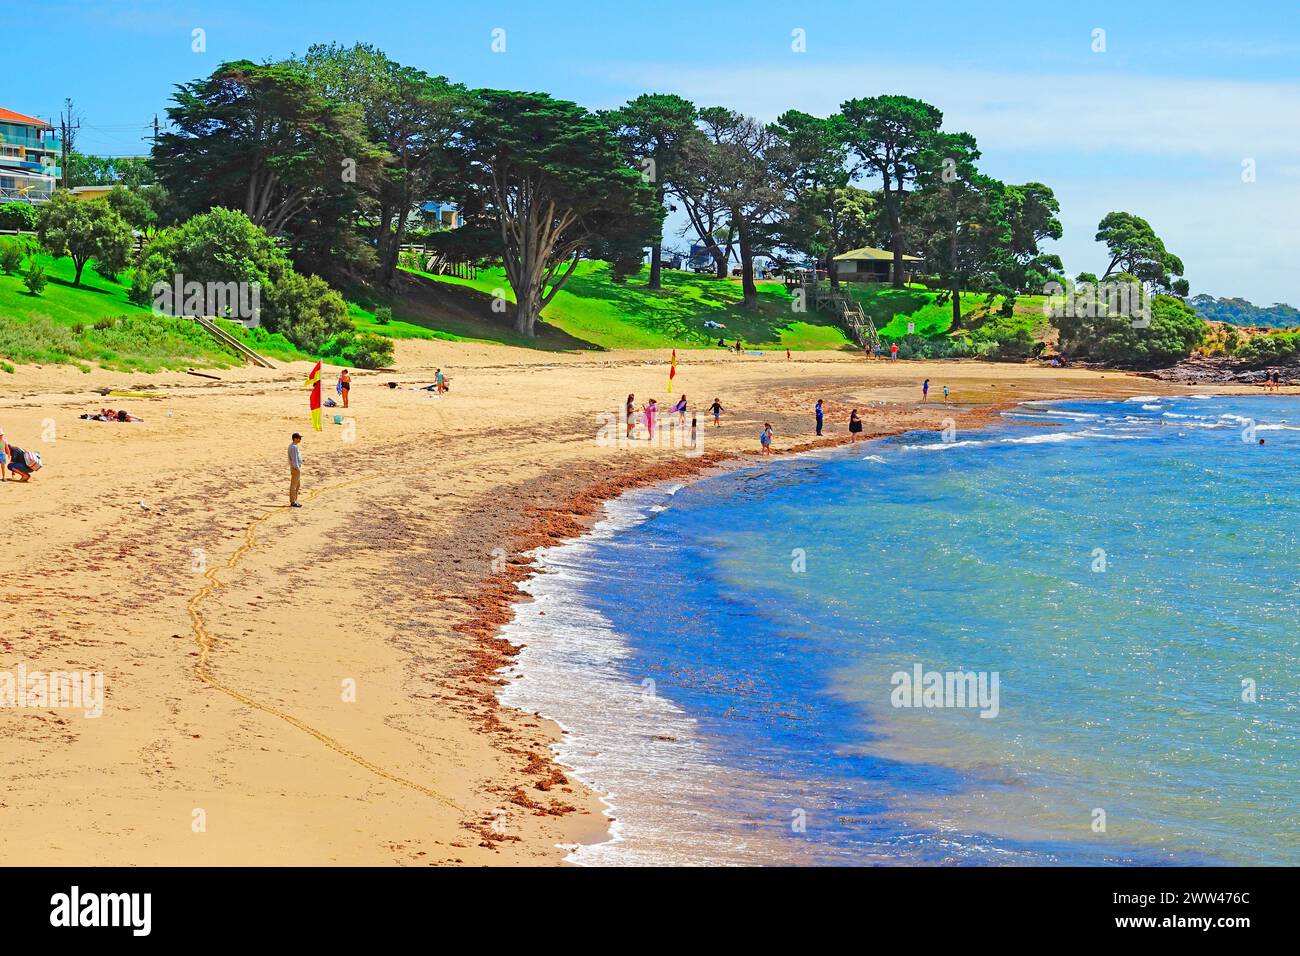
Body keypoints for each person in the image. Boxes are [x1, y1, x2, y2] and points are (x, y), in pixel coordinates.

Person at [288, 433, 304, 508]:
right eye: (299, 438)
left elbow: (296, 457)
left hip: (295, 467)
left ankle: (295, 500)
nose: (300, 439)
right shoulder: (294, 447)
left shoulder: (293, 446)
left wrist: (301, 460)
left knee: (297, 485)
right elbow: (294, 459)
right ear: (295, 438)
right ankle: (293, 501)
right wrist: (297, 468)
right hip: (295, 468)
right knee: (294, 485)